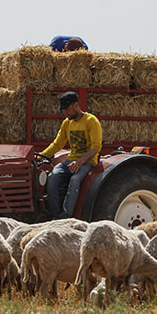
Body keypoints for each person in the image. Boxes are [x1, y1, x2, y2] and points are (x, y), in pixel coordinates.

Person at [37, 91, 102, 219]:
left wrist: (79, 162)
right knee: (53, 177)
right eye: (63, 110)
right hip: (70, 161)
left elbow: (95, 147)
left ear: (76, 105)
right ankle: (55, 216)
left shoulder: (91, 121)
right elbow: (57, 144)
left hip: (87, 162)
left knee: (75, 179)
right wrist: (40, 156)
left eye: (67, 109)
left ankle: (66, 216)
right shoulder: (67, 123)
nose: (65, 112)